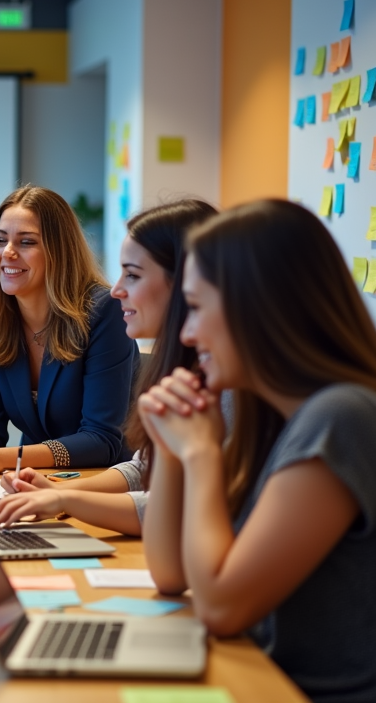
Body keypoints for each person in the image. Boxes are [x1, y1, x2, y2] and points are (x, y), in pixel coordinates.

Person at [139, 200, 376, 702]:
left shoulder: (341, 417)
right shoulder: (268, 415)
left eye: (198, 308)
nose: (186, 333)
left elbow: (221, 607)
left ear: (257, 305)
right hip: (260, 675)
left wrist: (202, 456)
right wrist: (173, 451)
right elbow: (171, 573)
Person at [0, 199, 218, 536]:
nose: (118, 289)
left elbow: (170, 520)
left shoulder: (230, 390)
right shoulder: (182, 368)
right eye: (1, 240)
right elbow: (142, 469)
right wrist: (58, 495)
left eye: (133, 275)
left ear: (187, 282)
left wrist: (64, 499)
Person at [0, 186, 138, 478]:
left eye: (26, 242)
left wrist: (1, 459)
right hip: (34, 478)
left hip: (105, 481)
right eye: (0, 240)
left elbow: (102, 439)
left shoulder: (105, 312)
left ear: (59, 251)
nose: (7, 252)